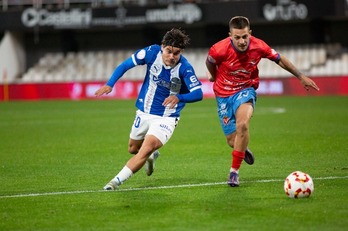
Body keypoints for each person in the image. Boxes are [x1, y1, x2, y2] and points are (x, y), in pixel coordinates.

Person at [205, 16, 319, 187]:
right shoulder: (219, 49)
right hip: (223, 95)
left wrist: (300, 76)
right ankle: (242, 149)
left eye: (245, 36)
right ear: (230, 36)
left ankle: (234, 172)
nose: (242, 41)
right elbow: (209, 62)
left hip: (245, 90)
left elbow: (279, 58)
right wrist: (213, 75)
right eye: (237, 37)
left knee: (242, 125)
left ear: (250, 33)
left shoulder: (259, 46)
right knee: (232, 140)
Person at [95, 28, 203, 190]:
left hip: (166, 118)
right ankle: (152, 156)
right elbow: (125, 65)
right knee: (133, 149)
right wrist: (110, 84)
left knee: (144, 151)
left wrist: (179, 97)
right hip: (144, 112)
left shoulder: (184, 68)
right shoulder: (151, 53)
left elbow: (198, 93)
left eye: (176, 53)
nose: (172, 57)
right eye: (168, 51)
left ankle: (114, 182)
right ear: (162, 47)